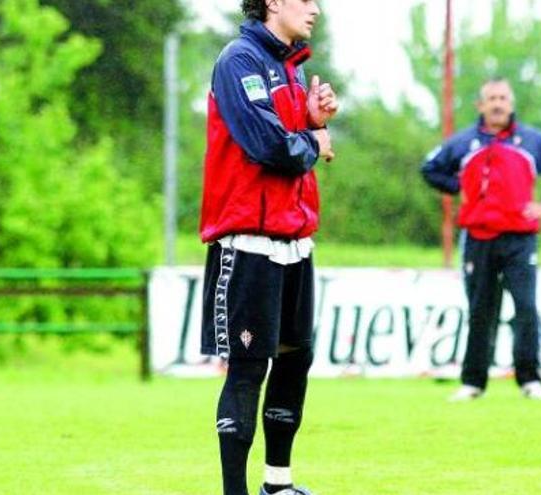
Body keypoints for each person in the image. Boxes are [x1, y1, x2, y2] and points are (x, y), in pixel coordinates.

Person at [199, 0, 337, 494]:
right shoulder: (238, 60)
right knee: (247, 370)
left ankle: (278, 485)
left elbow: (293, 138)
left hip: (295, 242)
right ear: (273, 1)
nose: (316, 9)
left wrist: (312, 119)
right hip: (249, 243)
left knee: (295, 360)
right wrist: (315, 139)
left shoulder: (291, 70)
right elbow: (269, 145)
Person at [421, 78, 541, 402]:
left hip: (520, 239)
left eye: (503, 98)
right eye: (491, 98)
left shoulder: (532, 141)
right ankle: (473, 382)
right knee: (480, 310)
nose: (497, 104)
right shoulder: (464, 143)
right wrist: (459, 186)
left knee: (525, 307)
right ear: (480, 105)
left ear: (511, 103)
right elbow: (430, 168)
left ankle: (530, 379)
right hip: (478, 237)